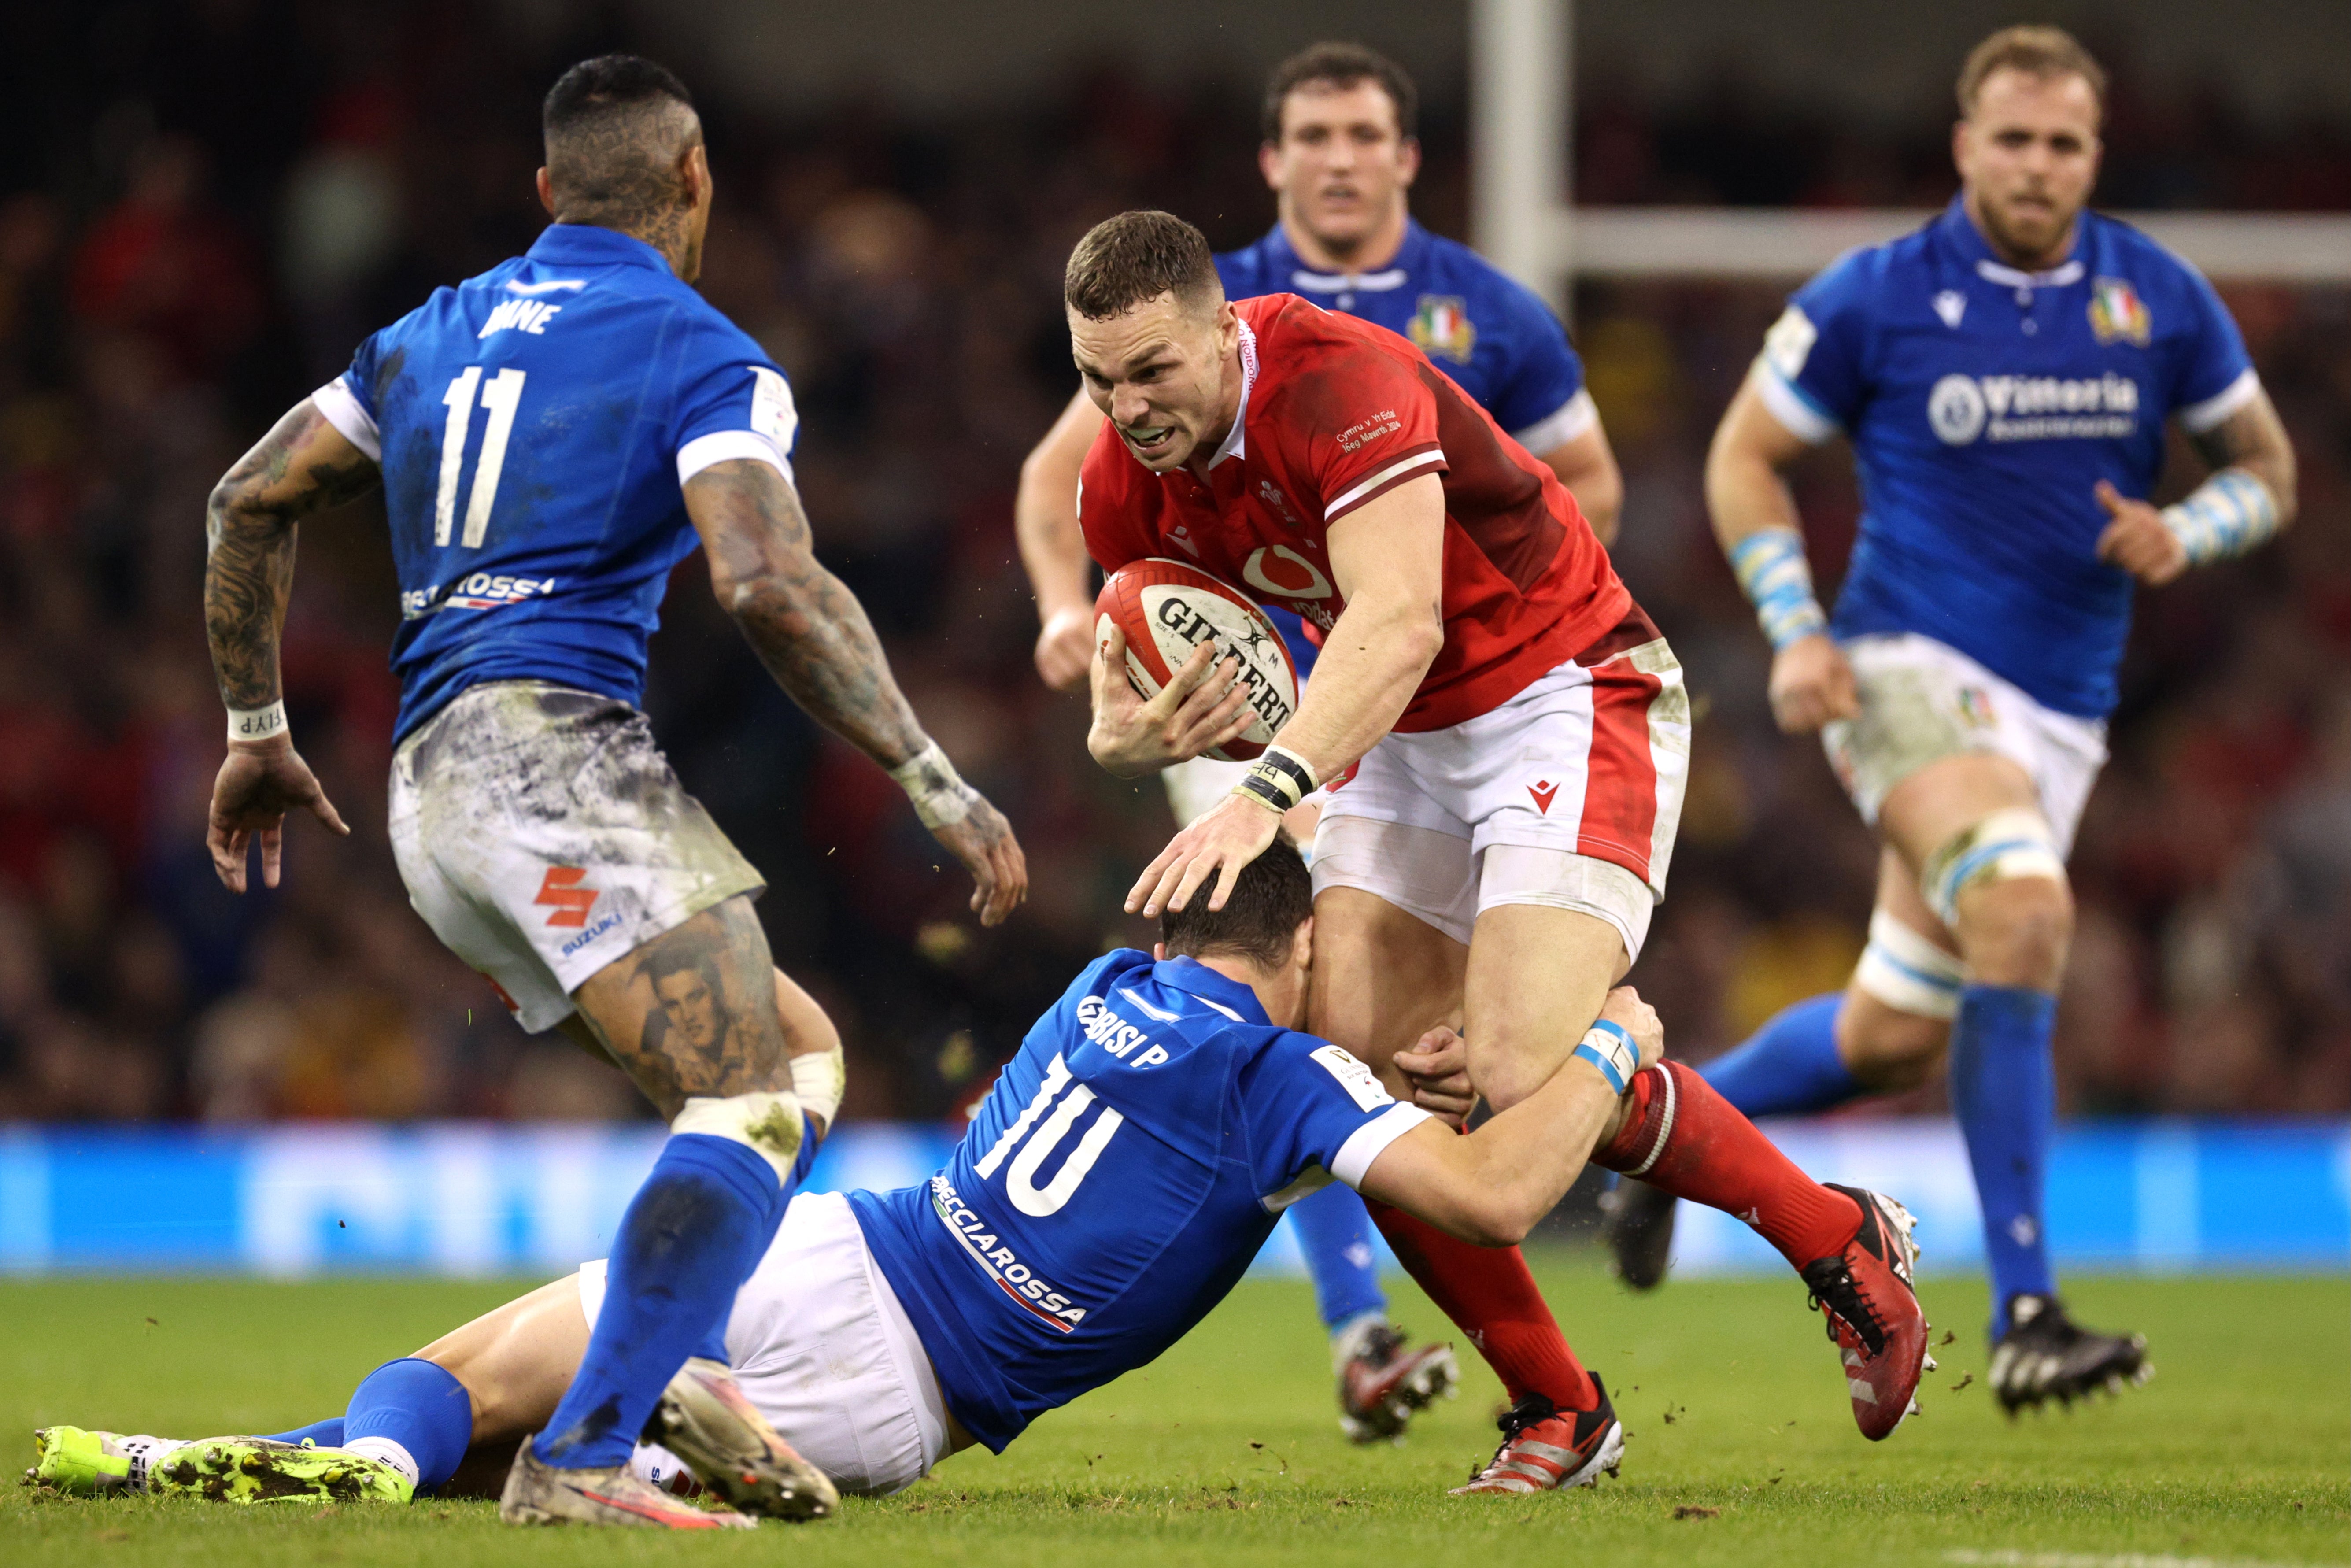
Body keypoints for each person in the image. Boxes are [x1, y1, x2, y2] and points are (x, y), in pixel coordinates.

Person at [30, 844, 1931, 1515]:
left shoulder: (1111, 988)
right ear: (1301, 950)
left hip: (849, 1254)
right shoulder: (1276, 1073)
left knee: (470, 1388)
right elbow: (1503, 1196)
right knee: (548, 1446)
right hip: (902, 1381)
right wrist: (1605, 1036)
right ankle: (635, 1462)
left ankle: (325, 1452)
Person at [196, 54, 1027, 1527]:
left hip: (427, 791)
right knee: (755, 1097)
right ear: (696, 177)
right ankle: (582, 1453)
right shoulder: (705, 351)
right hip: (549, 763)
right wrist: (926, 769)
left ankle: (659, 1380)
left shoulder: (428, 333)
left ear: (543, 193)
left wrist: (257, 726)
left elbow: (245, 499)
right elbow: (766, 580)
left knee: (793, 1061)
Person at [1603, 26, 2296, 1414]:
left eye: (2065, 143)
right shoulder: (1880, 295)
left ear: (2092, 156)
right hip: (1901, 671)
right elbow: (1745, 455)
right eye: (2014, 138)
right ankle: (2029, 1309)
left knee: (1892, 1034)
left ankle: (1651, 1130)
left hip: (2062, 711)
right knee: (2024, 912)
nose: (2038, 165)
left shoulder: (2154, 298)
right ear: (1964, 144)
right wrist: (1795, 628)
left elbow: (2266, 471)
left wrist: (2190, 525)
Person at [1014, 43, 1626, 1443]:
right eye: (1311, 133)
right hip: (1274, 709)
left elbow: (1568, 491)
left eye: (1364, 132)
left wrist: (1533, 612)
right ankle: (1364, 1327)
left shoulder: (1474, 316)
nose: (1338, 157)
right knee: (1306, 1014)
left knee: (1443, 1046)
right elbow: (1072, 490)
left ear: (1405, 155)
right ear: (1272, 159)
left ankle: (1587, 1090)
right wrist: (1089, 653)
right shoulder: (1156, 315)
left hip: (1460, 682)